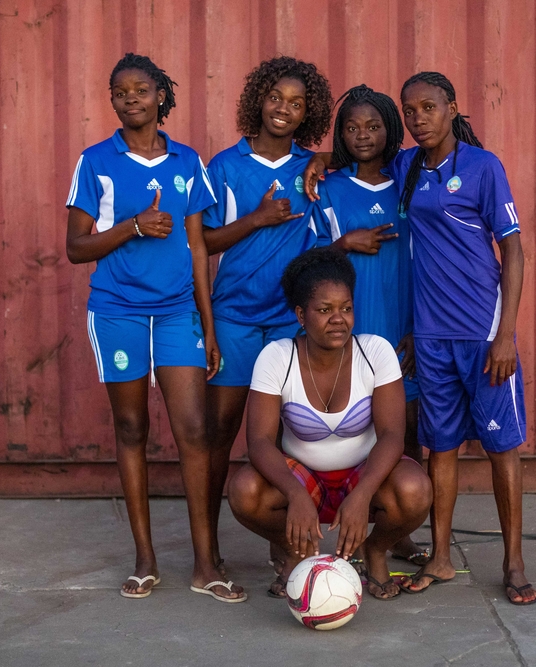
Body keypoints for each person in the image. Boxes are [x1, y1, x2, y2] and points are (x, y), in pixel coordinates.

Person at [304, 72, 536, 605]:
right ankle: (440, 558)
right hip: (430, 338)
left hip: (482, 334)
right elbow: (360, 151)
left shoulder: (483, 166)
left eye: (428, 107)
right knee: (440, 448)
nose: (418, 118)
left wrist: (506, 334)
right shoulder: (406, 166)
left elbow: (513, 250)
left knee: (502, 448)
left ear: (452, 107)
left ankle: (514, 563)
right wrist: (320, 159)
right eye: (410, 111)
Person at [65, 53, 244, 602]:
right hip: (117, 311)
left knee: (194, 430)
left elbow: (199, 248)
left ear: (161, 95)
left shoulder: (187, 161)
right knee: (131, 429)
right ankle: (145, 559)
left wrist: (208, 326)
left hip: (175, 313)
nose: (131, 99)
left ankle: (206, 564)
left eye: (141, 90)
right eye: (120, 93)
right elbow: (76, 248)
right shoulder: (96, 161)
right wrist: (133, 227)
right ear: (112, 101)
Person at [227, 247, 432, 600]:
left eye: (346, 308)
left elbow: (391, 435)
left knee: (415, 490)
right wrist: (294, 493)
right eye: (324, 310)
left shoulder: (375, 352)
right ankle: (297, 551)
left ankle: (374, 551)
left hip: (364, 476)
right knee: (244, 491)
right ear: (300, 315)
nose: (338, 319)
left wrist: (363, 493)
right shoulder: (277, 357)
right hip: (302, 480)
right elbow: (259, 441)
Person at [201, 57, 334, 576]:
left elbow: (368, 155)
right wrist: (256, 218)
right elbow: (205, 241)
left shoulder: (310, 169)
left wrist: (323, 156)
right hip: (234, 317)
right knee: (220, 432)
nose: (283, 108)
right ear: (258, 99)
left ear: (308, 114)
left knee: (280, 435)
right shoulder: (225, 166)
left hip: (285, 321)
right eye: (276, 97)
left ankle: (283, 547)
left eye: (297, 103)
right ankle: (208, 547)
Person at [317, 85, 429, 567]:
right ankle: (349, 528)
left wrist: (421, 328)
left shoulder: (410, 180)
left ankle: (398, 532)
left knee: (406, 434)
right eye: (351, 127)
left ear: (391, 129)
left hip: (402, 331)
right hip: (349, 336)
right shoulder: (330, 188)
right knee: (354, 433)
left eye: (373, 126)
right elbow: (309, 263)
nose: (362, 135)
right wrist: (344, 244)